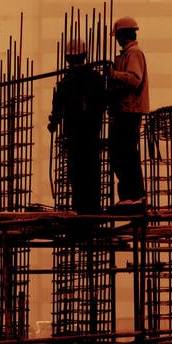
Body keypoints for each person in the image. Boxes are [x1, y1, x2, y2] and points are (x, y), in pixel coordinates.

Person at [48, 37, 107, 213]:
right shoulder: (94, 79)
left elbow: (58, 107)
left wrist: (54, 121)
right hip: (89, 134)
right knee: (90, 172)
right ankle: (91, 209)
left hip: (77, 135)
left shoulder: (66, 82)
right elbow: (105, 101)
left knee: (79, 174)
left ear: (67, 59)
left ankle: (82, 209)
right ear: (85, 55)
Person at [107, 16, 149, 206]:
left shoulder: (134, 54)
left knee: (127, 153)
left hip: (130, 110)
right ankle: (128, 195)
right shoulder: (126, 55)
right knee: (120, 153)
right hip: (123, 110)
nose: (117, 39)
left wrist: (113, 74)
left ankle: (134, 195)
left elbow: (134, 79)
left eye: (118, 36)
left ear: (124, 35)